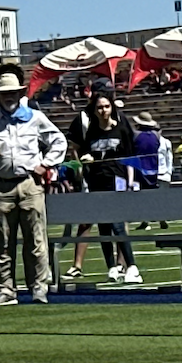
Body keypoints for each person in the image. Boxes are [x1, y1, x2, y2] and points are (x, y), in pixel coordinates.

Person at [0, 67, 67, 305]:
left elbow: (58, 141)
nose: (8, 97)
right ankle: (5, 288)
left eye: (12, 92)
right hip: (2, 186)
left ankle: (38, 287)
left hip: (30, 184)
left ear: (20, 93)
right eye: (4, 93)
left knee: (36, 239)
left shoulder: (35, 117)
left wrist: (46, 164)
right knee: (1, 242)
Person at [66, 89, 142, 283]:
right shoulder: (91, 132)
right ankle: (111, 267)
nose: (103, 110)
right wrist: (85, 161)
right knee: (103, 227)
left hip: (117, 180)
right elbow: (82, 153)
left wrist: (131, 181)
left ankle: (131, 266)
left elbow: (130, 157)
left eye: (107, 106)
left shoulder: (121, 129)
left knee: (118, 224)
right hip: (97, 182)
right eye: (100, 107)